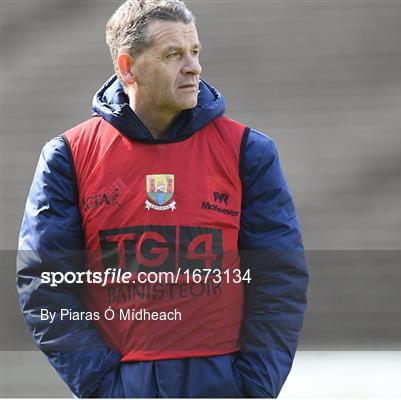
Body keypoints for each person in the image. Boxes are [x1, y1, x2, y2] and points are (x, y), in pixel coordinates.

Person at [16, 0, 309, 397]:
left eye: (195, 52)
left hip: (224, 384)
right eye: (173, 54)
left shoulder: (248, 151)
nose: (193, 67)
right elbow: (46, 282)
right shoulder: (68, 156)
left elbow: (279, 277)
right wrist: (102, 387)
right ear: (127, 67)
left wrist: (253, 388)